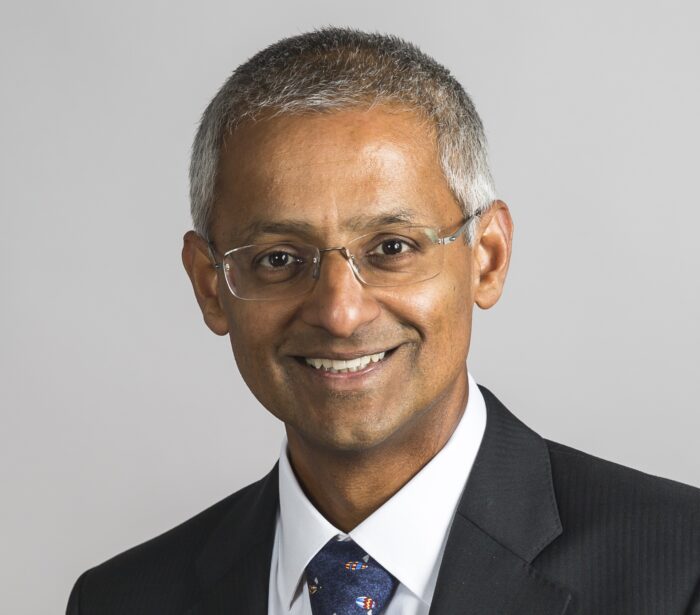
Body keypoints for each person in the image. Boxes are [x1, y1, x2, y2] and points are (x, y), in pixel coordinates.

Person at [66, 27, 700, 615]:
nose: (340, 314)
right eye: (279, 258)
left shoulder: (680, 571)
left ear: (487, 258)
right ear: (210, 286)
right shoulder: (120, 599)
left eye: (392, 247)